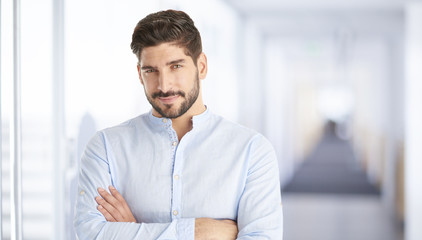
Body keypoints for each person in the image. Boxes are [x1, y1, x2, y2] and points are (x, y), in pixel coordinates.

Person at [74, 9, 283, 239]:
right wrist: (197, 232)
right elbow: (89, 234)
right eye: (151, 70)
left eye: (176, 66)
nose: (164, 85)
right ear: (139, 73)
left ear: (201, 66)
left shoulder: (252, 152)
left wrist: (133, 229)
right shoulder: (105, 148)